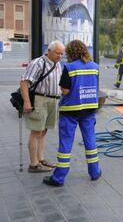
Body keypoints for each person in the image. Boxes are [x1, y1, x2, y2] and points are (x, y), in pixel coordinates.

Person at [43, 40, 101, 187]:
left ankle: (59, 178)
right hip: (89, 110)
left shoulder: (69, 67)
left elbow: (65, 91)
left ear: (70, 52)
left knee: (65, 144)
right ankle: (95, 172)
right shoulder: (95, 67)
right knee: (90, 141)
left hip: (70, 111)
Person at [20, 40, 65, 172]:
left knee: (43, 132)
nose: (60, 56)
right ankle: (34, 164)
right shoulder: (38, 63)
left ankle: (41, 159)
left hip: (53, 101)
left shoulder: (58, 64)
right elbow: (24, 82)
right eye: (57, 53)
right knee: (36, 132)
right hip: (40, 100)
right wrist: (27, 102)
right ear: (49, 51)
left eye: (62, 54)